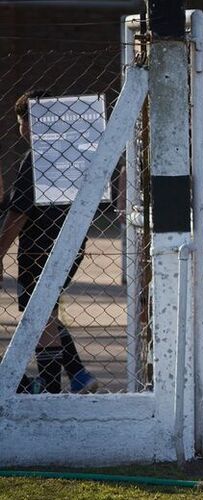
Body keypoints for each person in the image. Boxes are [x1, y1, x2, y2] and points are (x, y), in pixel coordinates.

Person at [0, 90, 98, 394]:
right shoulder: (72, 152)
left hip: (39, 245)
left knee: (39, 316)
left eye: (22, 122)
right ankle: (77, 374)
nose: (22, 130)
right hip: (70, 242)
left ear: (31, 123)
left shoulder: (35, 159)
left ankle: (50, 389)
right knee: (45, 312)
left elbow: (18, 214)